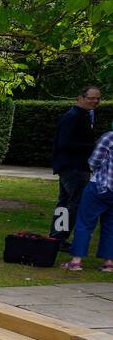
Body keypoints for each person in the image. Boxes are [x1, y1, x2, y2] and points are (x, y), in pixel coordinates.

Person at [50, 85, 102, 250]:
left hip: (71, 166)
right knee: (74, 203)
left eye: (97, 98)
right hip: (74, 167)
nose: (95, 101)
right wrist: (93, 146)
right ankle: (59, 238)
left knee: (65, 203)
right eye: (91, 98)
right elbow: (65, 143)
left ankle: (57, 238)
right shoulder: (73, 117)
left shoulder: (82, 116)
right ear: (80, 97)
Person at [60, 122, 113, 273]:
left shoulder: (109, 137)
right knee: (110, 225)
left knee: (85, 222)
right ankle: (109, 262)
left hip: (100, 185)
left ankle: (76, 261)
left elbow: (94, 160)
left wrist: (95, 168)